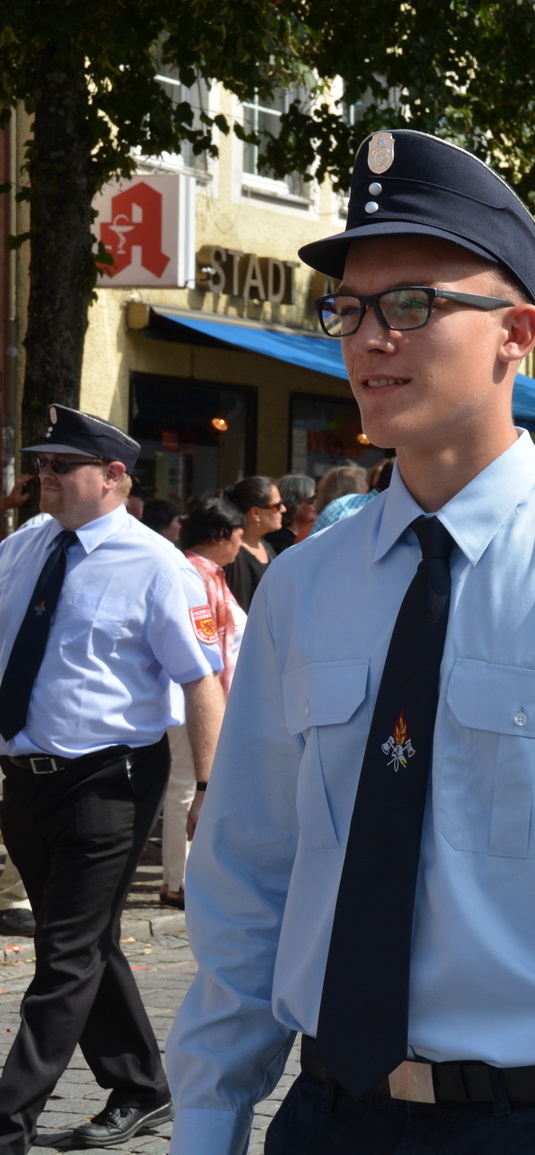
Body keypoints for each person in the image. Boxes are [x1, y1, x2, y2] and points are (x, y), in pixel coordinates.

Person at [165, 128, 535, 1155]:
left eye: (412, 305)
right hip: (326, 1118)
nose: (368, 339)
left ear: (515, 332)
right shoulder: (305, 586)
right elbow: (248, 874)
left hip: (534, 1123)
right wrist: (209, 1120)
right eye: (349, 308)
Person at [0, 405, 226, 1151]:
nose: (46, 476)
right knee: (89, 941)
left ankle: (9, 1119)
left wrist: (209, 786)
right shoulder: (26, 545)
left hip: (110, 781)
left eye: (63, 465)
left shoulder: (156, 563)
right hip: (26, 779)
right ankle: (142, 1086)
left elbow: (200, 682)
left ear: (115, 476)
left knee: (64, 952)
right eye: (42, 464)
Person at [161, 497, 249, 909]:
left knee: (191, 784)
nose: (240, 544)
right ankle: (176, 881)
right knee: (186, 783)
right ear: (220, 536)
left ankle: (184, 877)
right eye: (237, 536)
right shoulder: (192, 572)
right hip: (190, 694)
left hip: (206, 692)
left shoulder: (211, 573)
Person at [220, 476, 282, 613]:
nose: (283, 510)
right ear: (255, 513)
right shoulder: (232, 556)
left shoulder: (266, 546)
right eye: (277, 506)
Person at [311, 461, 389, 534]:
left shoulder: (321, 519)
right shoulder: (346, 513)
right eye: (364, 484)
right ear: (348, 490)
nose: (369, 491)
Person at [265, 473, 316, 552]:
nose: (316, 504)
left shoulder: (307, 535)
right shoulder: (279, 541)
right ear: (294, 503)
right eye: (311, 500)